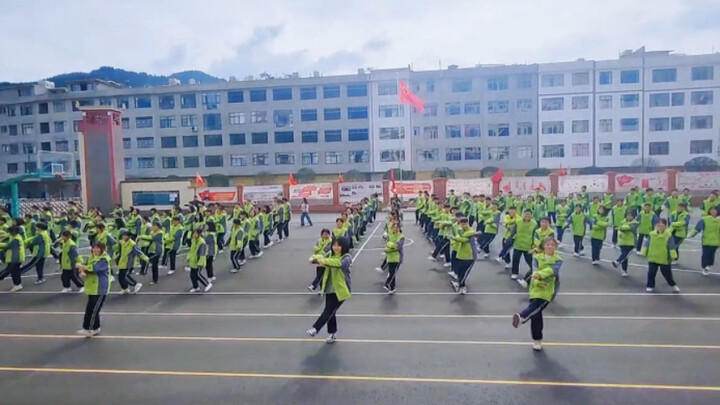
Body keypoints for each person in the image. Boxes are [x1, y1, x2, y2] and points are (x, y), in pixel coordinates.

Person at [512, 237, 562, 352]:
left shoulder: (558, 259)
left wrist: (540, 274)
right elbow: (534, 271)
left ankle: (523, 316)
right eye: (548, 244)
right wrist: (538, 277)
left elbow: (553, 271)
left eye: (552, 245)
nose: (550, 246)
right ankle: (536, 340)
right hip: (535, 288)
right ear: (544, 246)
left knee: (536, 307)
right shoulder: (536, 258)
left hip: (548, 289)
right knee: (536, 315)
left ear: (555, 247)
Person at [306, 237, 352, 344]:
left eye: (338, 246)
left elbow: (338, 263)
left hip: (341, 290)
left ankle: (315, 328)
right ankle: (332, 333)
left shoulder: (346, 257)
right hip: (329, 289)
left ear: (343, 246)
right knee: (332, 312)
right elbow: (322, 256)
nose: (336, 248)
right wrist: (314, 257)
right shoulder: (330, 253)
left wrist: (323, 261)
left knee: (328, 311)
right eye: (334, 245)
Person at [76, 243, 113, 337]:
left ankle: (91, 329)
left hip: (100, 288)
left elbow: (95, 268)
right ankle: (90, 328)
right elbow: (86, 265)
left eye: (98, 249)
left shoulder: (104, 259)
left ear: (102, 249)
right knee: (90, 309)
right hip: (91, 287)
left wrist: (83, 268)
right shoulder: (91, 257)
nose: (95, 250)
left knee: (94, 310)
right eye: (94, 248)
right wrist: (82, 270)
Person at [642, 219, 680, 293]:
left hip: (664, 258)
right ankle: (650, 285)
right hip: (653, 257)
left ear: (665, 226)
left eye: (662, 225)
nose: (660, 227)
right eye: (658, 225)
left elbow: (671, 246)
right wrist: (644, 251)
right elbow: (647, 243)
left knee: (667, 274)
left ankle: (673, 285)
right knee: (651, 273)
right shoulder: (651, 234)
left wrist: (673, 255)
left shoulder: (668, 235)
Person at [450, 217, 478, 294]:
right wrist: (457, 237)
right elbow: (460, 237)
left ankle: (462, 287)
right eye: (462, 224)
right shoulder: (460, 230)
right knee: (459, 271)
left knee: (464, 273)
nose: (463, 225)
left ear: (468, 224)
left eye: (465, 224)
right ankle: (459, 284)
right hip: (460, 254)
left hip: (470, 256)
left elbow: (464, 239)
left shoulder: (471, 231)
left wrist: (453, 237)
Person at [688, 206, 720, 276]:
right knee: (705, 254)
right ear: (709, 211)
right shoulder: (704, 219)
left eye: (715, 210)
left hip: (716, 241)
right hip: (706, 240)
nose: (713, 212)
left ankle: (708, 266)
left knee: (711, 254)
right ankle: (704, 267)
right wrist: (691, 235)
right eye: (711, 210)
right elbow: (697, 229)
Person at [611, 211, 638, 277]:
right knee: (625, 256)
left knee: (625, 255)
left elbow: (629, 228)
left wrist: (621, 228)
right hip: (623, 242)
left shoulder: (635, 223)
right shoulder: (622, 222)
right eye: (628, 215)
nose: (629, 217)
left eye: (630, 215)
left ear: (633, 216)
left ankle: (618, 262)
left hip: (631, 243)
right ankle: (623, 270)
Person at [0, 226, 25, 292]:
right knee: (15, 272)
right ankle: (18, 284)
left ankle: (17, 284)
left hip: (15, 258)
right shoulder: (15, 237)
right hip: (16, 258)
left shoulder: (16, 239)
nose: (9, 233)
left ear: (13, 232)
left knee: (9, 271)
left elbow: (8, 246)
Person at [382, 222, 405, 294]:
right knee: (391, 272)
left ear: (399, 229)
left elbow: (398, 247)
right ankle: (392, 288)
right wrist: (390, 244)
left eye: (396, 227)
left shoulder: (401, 237)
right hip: (390, 257)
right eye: (393, 227)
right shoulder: (391, 235)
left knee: (392, 272)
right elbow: (386, 243)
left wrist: (388, 247)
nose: (395, 229)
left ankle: (387, 284)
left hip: (397, 258)